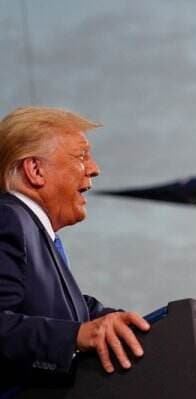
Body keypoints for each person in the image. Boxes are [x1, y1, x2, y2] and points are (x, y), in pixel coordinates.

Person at [0, 106, 150, 389]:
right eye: (81, 156)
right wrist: (75, 336)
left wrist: (126, 325)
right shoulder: (9, 219)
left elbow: (77, 310)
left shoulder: (37, 237)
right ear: (35, 170)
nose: (95, 168)